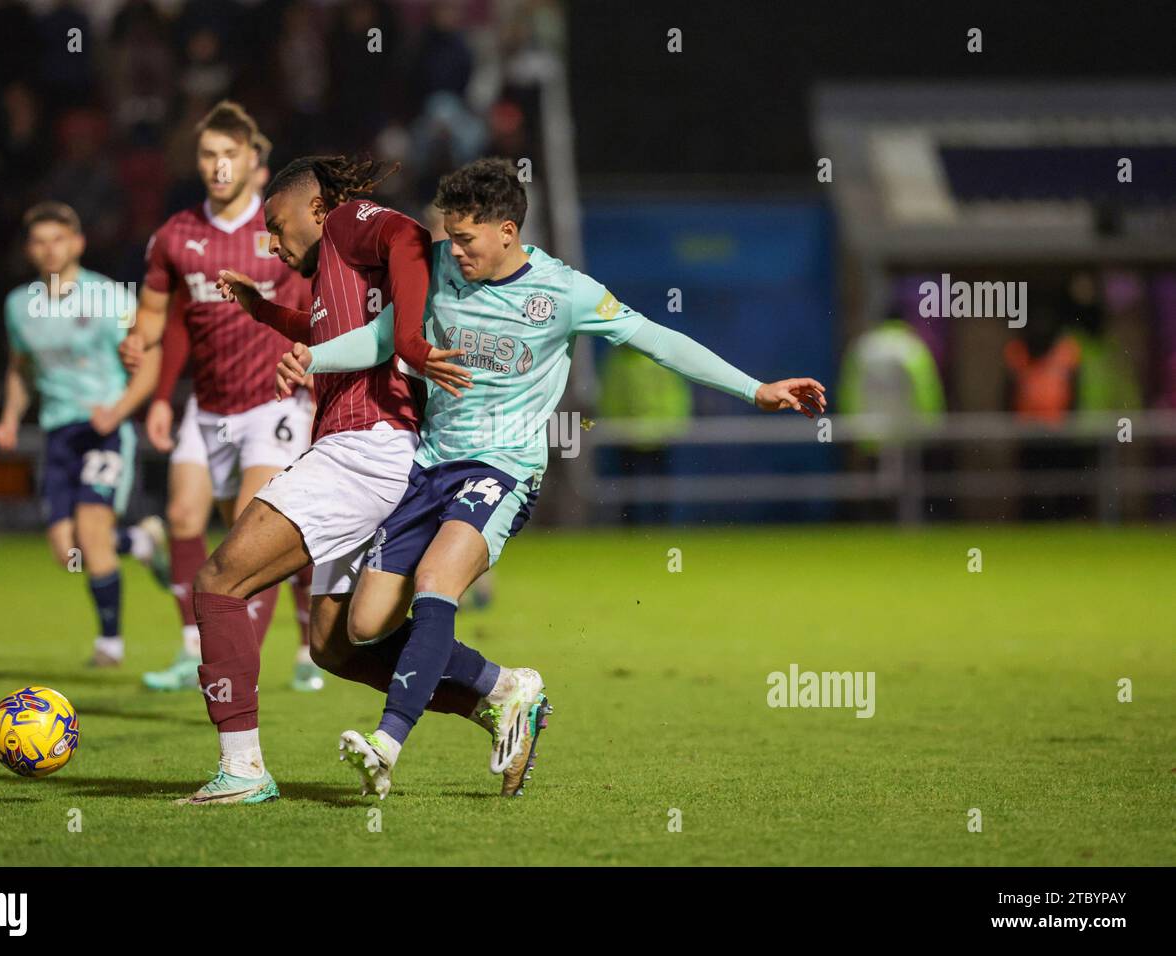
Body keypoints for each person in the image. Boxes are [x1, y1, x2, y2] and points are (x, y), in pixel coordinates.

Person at [275, 158, 826, 799]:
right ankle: (508, 688)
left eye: (466, 238)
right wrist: (313, 355)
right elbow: (380, 339)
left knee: (435, 584)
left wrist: (755, 389)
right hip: (429, 466)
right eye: (448, 235)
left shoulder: (565, 293)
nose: (454, 249)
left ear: (508, 230)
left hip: (501, 469)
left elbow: (658, 339)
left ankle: (387, 742)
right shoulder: (438, 269)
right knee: (366, 626)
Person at [176, 155, 530, 805]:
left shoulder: (346, 222)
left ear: (316, 209)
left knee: (219, 583)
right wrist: (262, 310)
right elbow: (321, 330)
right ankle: (499, 690)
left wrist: (409, 341)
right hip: (382, 454)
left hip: (364, 448)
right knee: (337, 645)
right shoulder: (337, 280)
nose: (273, 243)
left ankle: (243, 769)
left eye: (278, 226)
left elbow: (407, 237)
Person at [119, 101, 322, 693]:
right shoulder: (175, 236)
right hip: (206, 405)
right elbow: (161, 320)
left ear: (253, 162)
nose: (218, 165)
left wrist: (321, 360)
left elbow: (323, 294)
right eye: (208, 155)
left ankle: (261, 660)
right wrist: (145, 364)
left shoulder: (279, 224)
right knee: (182, 516)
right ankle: (192, 649)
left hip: (274, 400)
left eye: (229, 154)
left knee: (251, 531)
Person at [0, 201, 165, 667]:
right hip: (57, 435)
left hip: (103, 430)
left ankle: (110, 643)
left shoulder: (109, 297)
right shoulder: (18, 306)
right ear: (30, 249)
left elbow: (150, 360)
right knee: (67, 551)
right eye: (40, 241)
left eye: (59, 239)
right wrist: (10, 417)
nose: (50, 250)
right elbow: (19, 369)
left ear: (78, 243)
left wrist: (121, 409)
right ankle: (139, 542)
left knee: (91, 530)